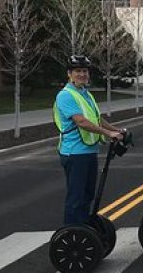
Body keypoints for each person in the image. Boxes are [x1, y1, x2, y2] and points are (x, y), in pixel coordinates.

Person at [53, 55, 125, 225]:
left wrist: (116, 130)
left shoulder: (86, 94)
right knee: (76, 197)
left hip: (89, 151)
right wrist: (108, 134)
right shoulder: (65, 95)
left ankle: (83, 228)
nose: (82, 74)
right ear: (69, 74)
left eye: (85, 71)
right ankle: (72, 233)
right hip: (74, 152)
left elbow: (96, 119)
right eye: (78, 71)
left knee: (87, 195)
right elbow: (81, 121)